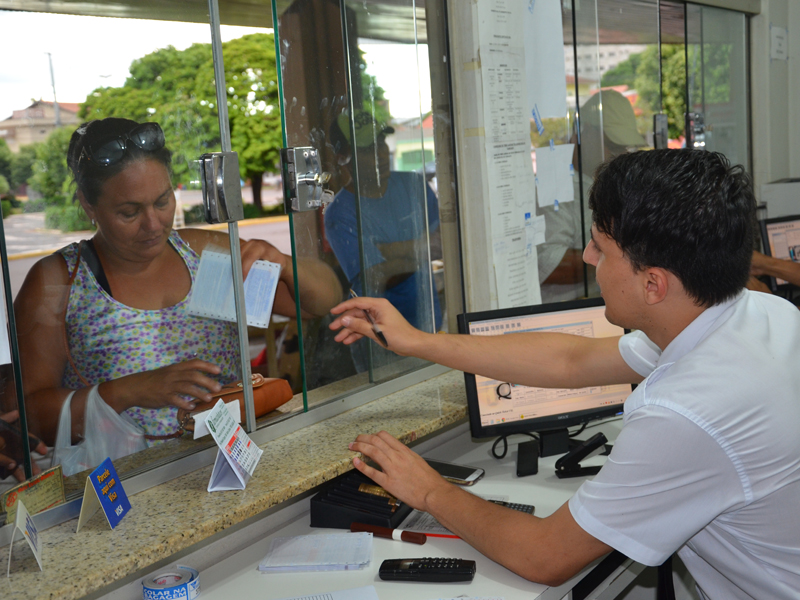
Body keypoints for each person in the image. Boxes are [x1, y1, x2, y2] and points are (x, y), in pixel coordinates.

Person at [330, 149, 800, 598]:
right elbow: (570, 361)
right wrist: (417, 341)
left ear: (653, 283)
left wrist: (429, 489)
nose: (589, 258)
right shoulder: (760, 312)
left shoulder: (688, 414)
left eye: (599, 247)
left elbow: (544, 556)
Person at [13, 118, 342, 454]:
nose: (153, 224)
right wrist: (128, 391)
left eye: (162, 201)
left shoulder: (201, 255)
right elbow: (32, 416)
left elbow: (321, 303)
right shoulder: (60, 280)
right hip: (131, 481)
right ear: (88, 204)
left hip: (232, 458)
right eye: (129, 212)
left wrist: (285, 265)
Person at [323, 109, 442, 372]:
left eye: (380, 142)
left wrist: (393, 251)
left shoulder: (413, 185)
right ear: (343, 158)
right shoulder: (339, 214)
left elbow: (444, 244)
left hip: (431, 325)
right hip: (380, 340)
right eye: (367, 149)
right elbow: (377, 276)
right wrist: (420, 248)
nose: (380, 153)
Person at [539, 89, 648, 303]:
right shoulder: (554, 185)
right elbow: (550, 265)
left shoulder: (610, 181)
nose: (620, 155)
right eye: (613, 145)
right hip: (566, 311)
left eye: (623, 147)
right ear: (585, 132)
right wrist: (630, 257)